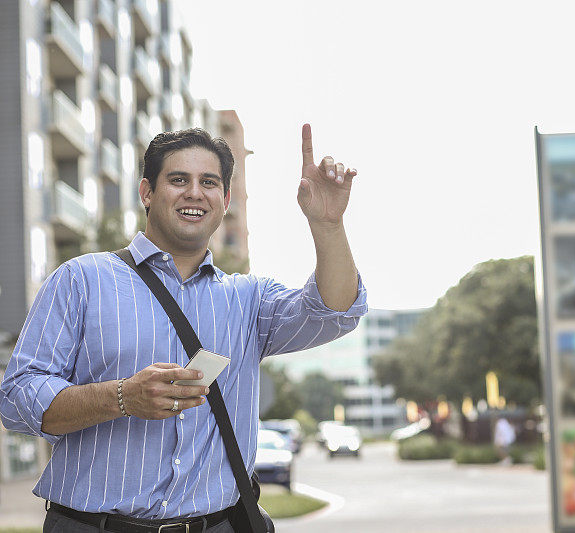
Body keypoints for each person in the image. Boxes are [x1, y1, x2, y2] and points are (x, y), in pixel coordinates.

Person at [0, 125, 367, 532]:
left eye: (209, 182)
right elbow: (17, 400)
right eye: (178, 180)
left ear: (225, 200)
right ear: (147, 193)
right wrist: (121, 397)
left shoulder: (248, 300)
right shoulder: (80, 280)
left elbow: (335, 312)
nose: (195, 192)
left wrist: (329, 226)